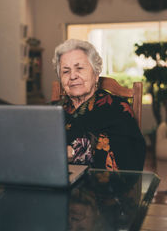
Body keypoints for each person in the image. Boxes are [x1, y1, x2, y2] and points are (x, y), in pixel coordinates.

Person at [52, 39, 146, 171]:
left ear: (96, 74)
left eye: (79, 68)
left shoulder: (118, 109)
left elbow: (129, 157)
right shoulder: (51, 111)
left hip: (101, 189)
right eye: (65, 71)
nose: (73, 76)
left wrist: (73, 153)